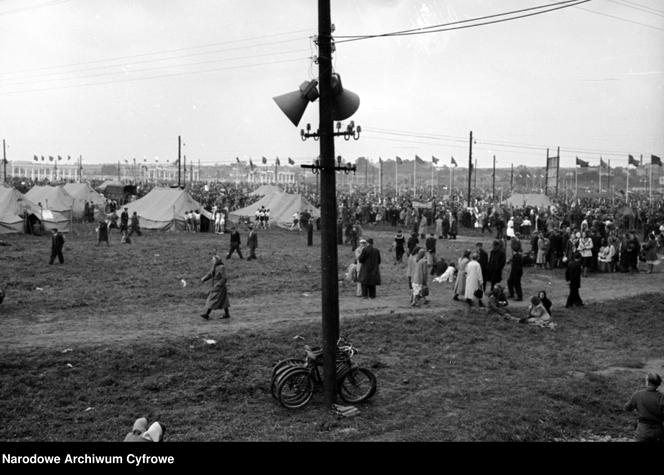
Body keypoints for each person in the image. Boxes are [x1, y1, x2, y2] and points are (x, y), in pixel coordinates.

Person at [623, 372, 664, 443]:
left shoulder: (638, 395)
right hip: (658, 431)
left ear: (647, 382)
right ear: (658, 384)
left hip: (642, 430)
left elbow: (627, 408)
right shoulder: (662, 397)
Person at [200, 255, 231, 320]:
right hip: (215, 286)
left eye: (214, 260)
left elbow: (224, 278)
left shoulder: (221, 267)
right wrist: (204, 279)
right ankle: (227, 314)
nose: (212, 261)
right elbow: (211, 274)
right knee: (223, 300)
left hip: (219, 287)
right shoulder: (214, 267)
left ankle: (206, 314)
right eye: (212, 260)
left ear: (217, 260)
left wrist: (218, 284)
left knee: (212, 299)